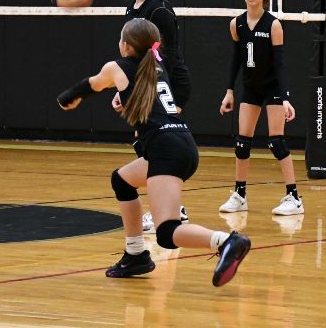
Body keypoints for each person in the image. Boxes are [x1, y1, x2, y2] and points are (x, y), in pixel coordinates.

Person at [58, 18, 250, 287]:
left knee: (167, 232)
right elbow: (145, 97)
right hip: (181, 143)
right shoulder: (156, 65)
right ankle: (135, 254)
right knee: (122, 180)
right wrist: (124, 99)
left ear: (124, 45)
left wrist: (67, 98)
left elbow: (92, 85)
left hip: (165, 150)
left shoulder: (117, 67)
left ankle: (227, 241)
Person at [218, 0, 301, 216]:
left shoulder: (273, 24)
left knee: (276, 142)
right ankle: (240, 194)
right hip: (250, 87)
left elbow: (280, 63)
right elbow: (235, 59)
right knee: (242, 143)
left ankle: (294, 197)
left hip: (272, 87)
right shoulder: (237, 24)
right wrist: (229, 91)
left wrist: (285, 97)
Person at [120, 0, 192, 233]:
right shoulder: (132, 8)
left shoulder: (159, 10)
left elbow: (168, 56)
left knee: (157, 146)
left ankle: (167, 210)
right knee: (144, 144)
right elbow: (133, 56)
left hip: (168, 83)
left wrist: (163, 94)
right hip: (145, 82)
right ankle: (176, 207)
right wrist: (123, 88)